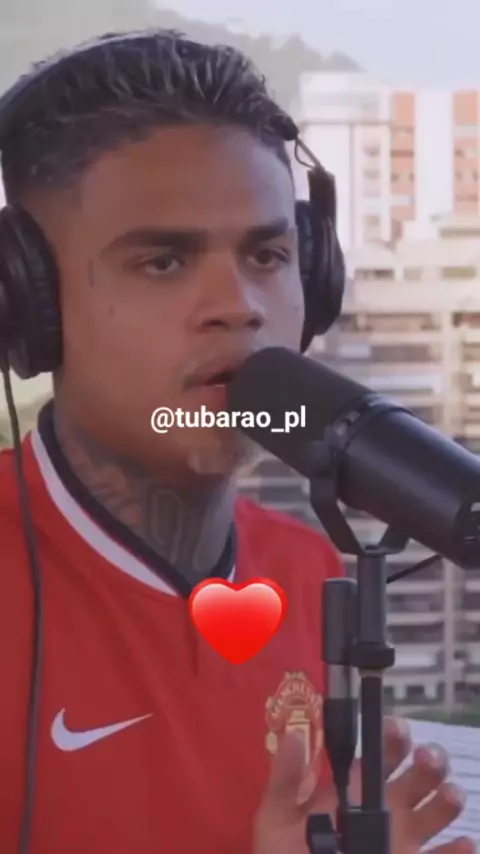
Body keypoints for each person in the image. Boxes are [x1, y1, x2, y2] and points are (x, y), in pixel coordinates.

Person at [0, 29, 475, 854]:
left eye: (268, 254)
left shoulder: (312, 571)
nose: (240, 306)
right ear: (28, 305)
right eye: (162, 262)